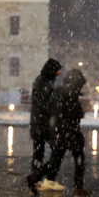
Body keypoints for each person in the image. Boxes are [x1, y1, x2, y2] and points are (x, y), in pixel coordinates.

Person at [27, 68, 91, 196]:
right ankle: (78, 187)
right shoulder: (71, 92)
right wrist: (81, 112)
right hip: (70, 131)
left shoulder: (58, 90)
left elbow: (53, 109)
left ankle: (36, 176)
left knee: (55, 160)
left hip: (58, 130)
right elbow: (73, 112)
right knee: (79, 158)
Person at [28, 59, 62, 190]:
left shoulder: (44, 81)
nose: (58, 73)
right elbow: (46, 105)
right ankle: (47, 178)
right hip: (43, 125)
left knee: (38, 153)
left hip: (39, 124)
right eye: (57, 71)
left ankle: (35, 178)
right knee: (57, 149)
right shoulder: (44, 83)